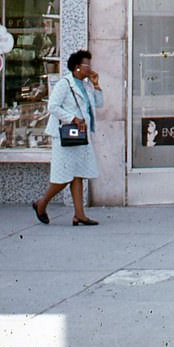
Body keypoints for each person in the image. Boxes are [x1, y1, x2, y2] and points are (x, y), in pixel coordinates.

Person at [32, 50, 103, 226]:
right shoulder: (65, 84)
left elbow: (99, 104)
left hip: (80, 135)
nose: (90, 68)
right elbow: (52, 106)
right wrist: (73, 118)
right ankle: (42, 203)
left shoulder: (86, 85)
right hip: (66, 135)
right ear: (78, 67)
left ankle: (79, 214)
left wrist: (97, 85)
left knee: (77, 174)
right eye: (87, 65)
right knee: (64, 176)